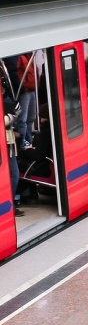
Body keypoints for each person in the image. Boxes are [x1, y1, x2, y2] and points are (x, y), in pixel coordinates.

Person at [2, 73, 21, 217]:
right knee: (13, 174)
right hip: (5, 142)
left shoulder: (6, 101)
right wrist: (11, 117)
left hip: (9, 142)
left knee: (14, 174)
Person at [15, 53, 37, 149]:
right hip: (25, 91)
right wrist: (23, 86)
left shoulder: (29, 56)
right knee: (23, 119)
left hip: (31, 89)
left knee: (32, 116)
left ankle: (28, 139)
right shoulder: (21, 57)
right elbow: (15, 73)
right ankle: (23, 141)